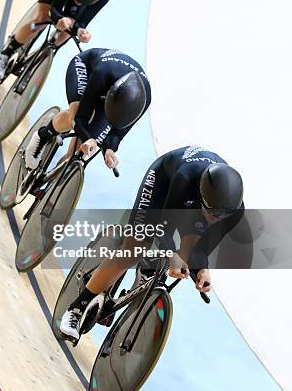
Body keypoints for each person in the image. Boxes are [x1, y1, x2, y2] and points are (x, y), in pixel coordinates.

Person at [60, 146, 244, 341]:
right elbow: (165, 227)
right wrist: (171, 256)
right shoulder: (185, 178)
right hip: (163, 181)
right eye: (214, 213)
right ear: (201, 197)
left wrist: (201, 270)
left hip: (196, 200)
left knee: (187, 248)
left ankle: (148, 267)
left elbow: (201, 250)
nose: (217, 220)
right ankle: (76, 309)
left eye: (223, 215)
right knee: (133, 250)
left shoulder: (235, 211)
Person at [24, 48, 151, 171]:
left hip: (111, 91)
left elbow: (118, 132)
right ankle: (44, 135)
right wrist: (87, 137)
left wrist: (109, 149)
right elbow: (80, 118)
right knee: (76, 115)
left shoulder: (144, 100)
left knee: (83, 149)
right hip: (87, 68)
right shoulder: (102, 72)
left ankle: (54, 182)